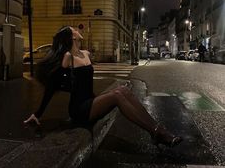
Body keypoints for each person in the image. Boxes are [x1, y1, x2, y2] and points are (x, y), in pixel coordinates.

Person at [24, 26, 182, 148]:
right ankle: (156, 132)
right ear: (71, 36)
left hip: (90, 101)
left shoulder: (86, 54)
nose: (78, 30)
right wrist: (38, 114)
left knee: (123, 90)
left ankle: (157, 130)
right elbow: (52, 86)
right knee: (117, 95)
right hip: (79, 109)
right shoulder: (68, 57)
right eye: (74, 30)